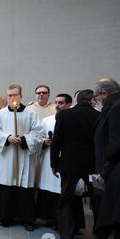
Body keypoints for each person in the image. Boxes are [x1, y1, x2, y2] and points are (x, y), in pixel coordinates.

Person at [51, 90, 99, 239]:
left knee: (66, 199)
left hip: (69, 162)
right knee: (97, 197)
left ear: (77, 100)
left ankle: (67, 236)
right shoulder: (98, 115)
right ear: (92, 100)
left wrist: (54, 163)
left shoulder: (64, 115)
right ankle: (101, 232)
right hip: (93, 163)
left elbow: (56, 142)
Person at [0, 84, 42, 231]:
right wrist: (7, 138)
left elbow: (38, 132)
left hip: (25, 156)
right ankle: (6, 216)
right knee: (7, 185)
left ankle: (26, 219)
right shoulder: (0, 114)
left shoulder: (30, 113)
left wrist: (24, 139)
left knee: (24, 185)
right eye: (9, 95)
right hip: (7, 157)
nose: (12, 98)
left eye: (15, 95)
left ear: (21, 96)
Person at [93, 78, 120, 239]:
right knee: (117, 214)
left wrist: (105, 170)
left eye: (98, 97)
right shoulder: (118, 103)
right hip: (117, 168)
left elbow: (118, 142)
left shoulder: (118, 107)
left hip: (119, 169)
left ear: (104, 93)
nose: (98, 101)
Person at [36, 93, 73, 229]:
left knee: (63, 190)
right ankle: (47, 217)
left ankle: (62, 221)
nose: (57, 105)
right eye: (56, 102)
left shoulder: (73, 119)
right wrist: (44, 142)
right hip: (48, 158)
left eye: (61, 103)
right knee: (48, 188)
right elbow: (39, 138)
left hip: (66, 158)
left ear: (69, 104)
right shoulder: (47, 120)